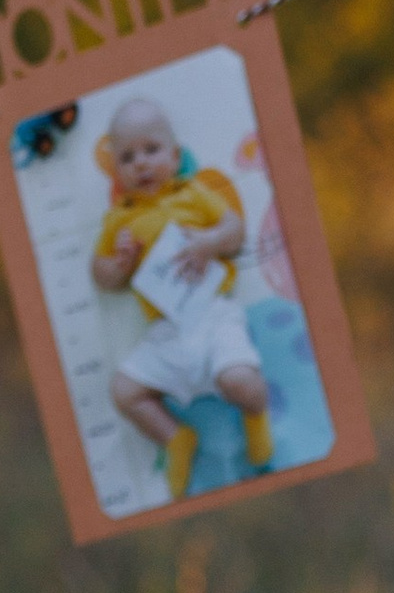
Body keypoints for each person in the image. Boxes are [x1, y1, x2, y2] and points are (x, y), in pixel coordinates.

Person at [86, 94, 273, 505]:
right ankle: (175, 439)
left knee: (239, 380)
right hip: (166, 333)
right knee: (124, 391)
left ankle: (256, 417)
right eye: (128, 157)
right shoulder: (121, 219)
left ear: (175, 156)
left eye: (152, 151)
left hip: (213, 316)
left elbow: (234, 229)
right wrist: (120, 263)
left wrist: (208, 242)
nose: (142, 164)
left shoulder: (193, 193)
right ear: (116, 172)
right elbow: (102, 277)